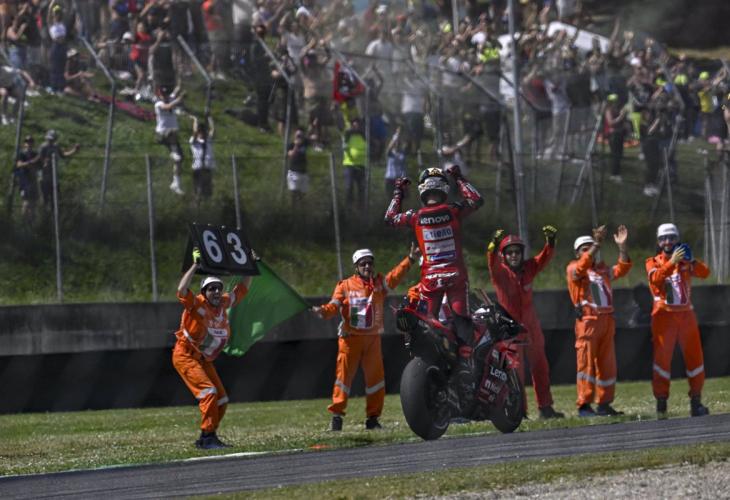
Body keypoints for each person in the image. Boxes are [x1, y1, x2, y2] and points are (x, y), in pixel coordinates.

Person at [384, 165, 483, 395]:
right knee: (462, 320)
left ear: (422, 189)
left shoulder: (415, 216)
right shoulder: (454, 210)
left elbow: (389, 218)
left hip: (430, 280)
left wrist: (398, 192)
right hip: (455, 278)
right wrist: (459, 177)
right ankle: (465, 363)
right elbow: (477, 199)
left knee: (429, 322)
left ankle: (430, 352)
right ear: (444, 188)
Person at [312, 244, 419, 431]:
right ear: (356, 267)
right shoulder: (345, 286)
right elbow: (333, 307)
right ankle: (336, 418)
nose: (367, 266)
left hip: (372, 340)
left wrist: (410, 259)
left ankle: (373, 419)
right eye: (363, 264)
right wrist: (322, 311)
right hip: (350, 340)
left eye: (370, 263)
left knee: (376, 381)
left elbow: (395, 276)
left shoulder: (379, 284)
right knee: (343, 380)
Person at [174, 247, 253, 449]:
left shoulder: (223, 304)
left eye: (218, 288)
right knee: (209, 392)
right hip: (186, 355)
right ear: (204, 292)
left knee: (222, 399)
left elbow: (242, 289)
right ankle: (208, 437)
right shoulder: (197, 305)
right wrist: (195, 265)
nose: (216, 292)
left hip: (203, 358)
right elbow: (181, 290)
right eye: (211, 289)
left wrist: (249, 266)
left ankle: (207, 435)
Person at [486, 225, 563, 419]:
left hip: (531, 327)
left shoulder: (529, 268)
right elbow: (492, 263)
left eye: (517, 252)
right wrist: (493, 247)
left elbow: (543, 259)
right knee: (515, 372)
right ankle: (519, 411)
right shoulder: (500, 274)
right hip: (510, 330)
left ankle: (546, 408)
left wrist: (550, 243)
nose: (514, 255)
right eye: (509, 252)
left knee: (541, 366)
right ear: (504, 255)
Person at [646, 223, 710, 418]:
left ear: (678, 239)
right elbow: (655, 279)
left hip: (686, 315)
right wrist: (671, 262)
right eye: (663, 238)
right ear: (658, 242)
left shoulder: (686, 262)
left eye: (672, 238)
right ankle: (661, 403)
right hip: (663, 316)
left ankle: (696, 401)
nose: (668, 241)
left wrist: (693, 261)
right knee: (662, 361)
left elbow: (705, 273)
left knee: (695, 359)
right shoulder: (652, 262)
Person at [566, 225, 632, 417]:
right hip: (587, 322)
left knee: (607, 366)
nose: (589, 251)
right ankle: (584, 405)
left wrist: (622, 247)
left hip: (606, 322)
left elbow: (622, 268)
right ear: (577, 253)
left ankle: (604, 403)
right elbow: (581, 267)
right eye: (584, 249)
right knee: (586, 365)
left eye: (591, 247)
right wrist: (596, 243)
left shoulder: (602, 270)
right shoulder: (574, 268)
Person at [154, 86, 186, 195]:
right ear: (159, 95)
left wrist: (181, 83)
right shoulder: (158, 104)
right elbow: (167, 107)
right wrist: (179, 99)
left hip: (172, 136)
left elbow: (177, 88)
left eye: (166, 94)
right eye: (162, 94)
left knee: (180, 159)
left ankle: (176, 183)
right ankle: (172, 152)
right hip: (162, 133)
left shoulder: (171, 98)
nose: (165, 96)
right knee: (172, 131)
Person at [38, 129, 80, 209]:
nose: (50, 141)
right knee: (44, 197)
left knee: (55, 197)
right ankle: (43, 213)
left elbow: (63, 155)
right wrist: (44, 162)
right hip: (44, 176)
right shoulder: (43, 147)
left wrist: (74, 150)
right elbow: (38, 158)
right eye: (49, 139)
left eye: (52, 139)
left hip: (54, 176)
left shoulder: (56, 147)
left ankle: (53, 213)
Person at [342, 117, 367, 211]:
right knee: (349, 187)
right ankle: (349, 207)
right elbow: (344, 145)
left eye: (358, 124)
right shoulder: (348, 135)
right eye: (355, 124)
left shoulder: (364, 136)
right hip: (350, 165)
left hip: (361, 165)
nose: (357, 126)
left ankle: (361, 208)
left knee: (362, 188)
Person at [14, 134, 41, 223]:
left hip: (33, 179)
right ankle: (23, 221)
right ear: (24, 143)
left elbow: (39, 165)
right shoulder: (21, 154)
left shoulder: (35, 154)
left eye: (30, 141)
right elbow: (19, 164)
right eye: (27, 141)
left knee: (34, 201)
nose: (29, 143)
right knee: (26, 201)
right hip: (24, 180)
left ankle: (31, 221)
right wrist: (29, 163)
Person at [189, 115, 216, 204]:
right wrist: (195, 120)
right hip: (198, 168)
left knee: (207, 191)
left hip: (207, 168)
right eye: (201, 132)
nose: (203, 134)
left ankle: (206, 205)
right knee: (198, 190)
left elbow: (212, 130)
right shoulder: (194, 141)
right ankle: (196, 204)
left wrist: (210, 120)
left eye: (204, 132)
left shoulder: (208, 140)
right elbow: (195, 132)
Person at [605, 93, 628, 183]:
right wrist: (621, 117)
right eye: (614, 101)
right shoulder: (608, 110)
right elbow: (610, 122)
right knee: (616, 155)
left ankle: (617, 172)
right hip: (613, 135)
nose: (616, 102)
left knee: (619, 154)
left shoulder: (619, 109)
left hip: (620, 133)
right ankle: (614, 174)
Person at [286, 127, 309, 209]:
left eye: (301, 135)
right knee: (294, 193)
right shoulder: (291, 145)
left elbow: (312, 137)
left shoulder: (305, 143)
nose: (299, 137)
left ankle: (302, 210)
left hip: (303, 172)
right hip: (293, 172)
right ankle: (292, 209)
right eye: (298, 135)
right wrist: (296, 145)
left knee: (302, 194)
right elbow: (291, 155)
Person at [383, 127, 406, 196]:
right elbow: (388, 149)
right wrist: (395, 137)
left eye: (398, 143)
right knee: (390, 198)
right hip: (390, 179)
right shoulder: (391, 153)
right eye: (396, 143)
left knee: (399, 198)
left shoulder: (402, 153)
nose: (397, 144)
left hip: (399, 179)